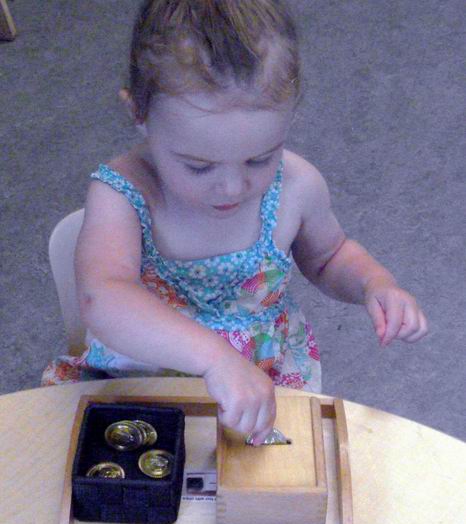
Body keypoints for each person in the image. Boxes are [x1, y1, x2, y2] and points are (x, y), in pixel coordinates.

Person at [42, 0, 428, 445]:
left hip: (258, 389)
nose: (232, 187)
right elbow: (103, 297)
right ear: (139, 115)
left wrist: (375, 284)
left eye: (259, 158)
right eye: (198, 166)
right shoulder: (122, 194)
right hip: (140, 387)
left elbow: (330, 256)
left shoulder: (297, 185)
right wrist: (215, 358)